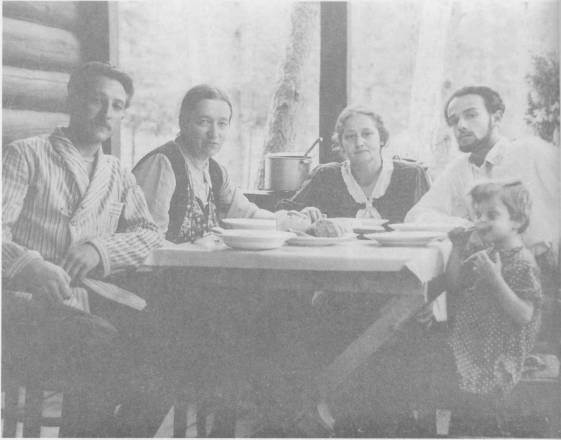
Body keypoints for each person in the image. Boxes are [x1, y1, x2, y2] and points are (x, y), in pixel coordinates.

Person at [133, 84, 319, 436]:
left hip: (197, 289)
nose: (214, 133)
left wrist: (292, 223)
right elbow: (144, 243)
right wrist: (202, 247)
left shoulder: (212, 170)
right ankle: (249, 419)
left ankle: (263, 420)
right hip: (154, 293)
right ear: (183, 121)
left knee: (286, 307)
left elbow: (246, 212)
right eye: (204, 122)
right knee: (253, 322)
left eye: (222, 123)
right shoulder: (164, 163)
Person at [2, 61, 170, 437]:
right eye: (96, 100)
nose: (107, 113)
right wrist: (29, 265)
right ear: (72, 100)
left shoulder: (117, 172)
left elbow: (150, 232)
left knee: (172, 349)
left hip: (89, 301)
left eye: (117, 105)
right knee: (100, 345)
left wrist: (100, 248)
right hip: (25, 307)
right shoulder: (26, 154)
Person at [417, 180, 543, 436]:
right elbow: (454, 285)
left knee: (479, 417)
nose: (481, 221)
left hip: (499, 351)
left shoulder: (522, 262)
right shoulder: (487, 253)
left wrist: (495, 279)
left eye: (492, 215)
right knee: (424, 364)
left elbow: (524, 315)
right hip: (472, 343)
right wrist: (457, 248)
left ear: (517, 221)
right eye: (478, 215)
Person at [406, 86, 559, 269]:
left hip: (546, 268)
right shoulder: (458, 169)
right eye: (454, 121)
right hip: (492, 270)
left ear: (497, 117)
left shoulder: (531, 151)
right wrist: (469, 227)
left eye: (471, 115)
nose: (461, 126)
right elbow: (417, 215)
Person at [277, 105, 431, 222]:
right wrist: (304, 213)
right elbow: (283, 213)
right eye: (350, 136)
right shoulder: (325, 176)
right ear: (341, 144)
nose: (359, 143)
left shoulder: (412, 175)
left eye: (367, 134)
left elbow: (434, 220)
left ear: (381, 138)